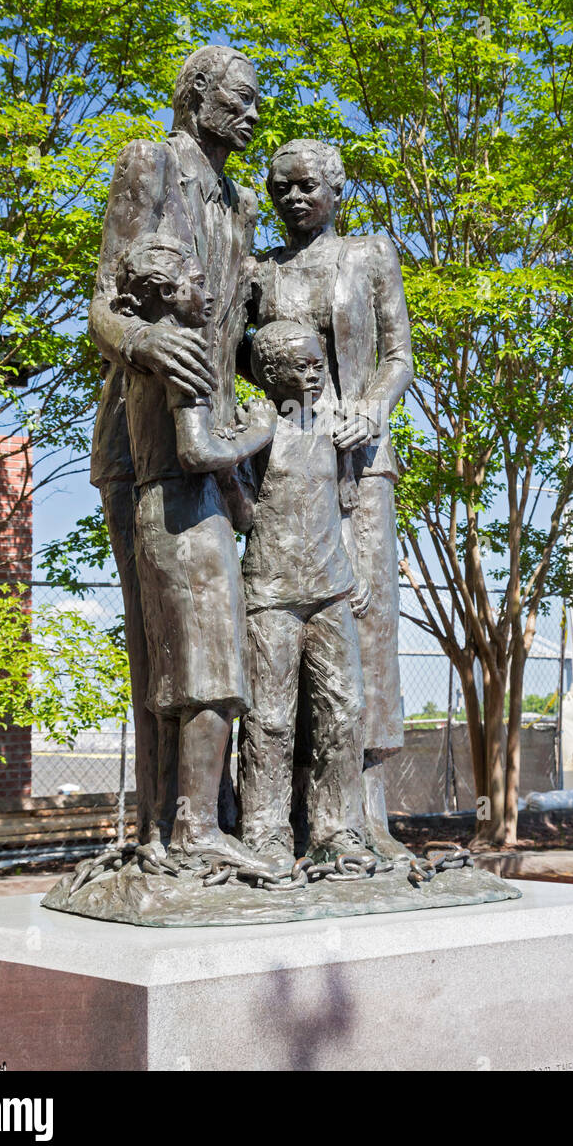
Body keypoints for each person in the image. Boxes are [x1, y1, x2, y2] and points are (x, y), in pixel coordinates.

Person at [89, 45, 260, 851]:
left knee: (219, 641)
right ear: (197, 97)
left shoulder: (243, 202)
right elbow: (102, 308)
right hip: (145, 438)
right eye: (241, 99)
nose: (254, 114)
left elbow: (239, 334)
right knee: (164, 642)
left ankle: (207, 820)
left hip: (221, 442)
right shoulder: (149, 164)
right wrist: (145, 342)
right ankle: (167, 831)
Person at [245, 139, 414, 857]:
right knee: (282, 634)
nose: (293, 198)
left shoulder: (370, 256)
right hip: (285, 463)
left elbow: (399, 355)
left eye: (307, 184)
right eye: (281, 188)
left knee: (365, 629)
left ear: (337, 189)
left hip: (360, 461)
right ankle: (280, 823)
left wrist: (371, 408)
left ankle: (363, 820)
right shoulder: (261, 270)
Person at [114, 226, 277, 872]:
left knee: (182, 683)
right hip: (186, 520)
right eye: (196, 281)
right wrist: (258, 430)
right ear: (164, 292)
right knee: (210, 683)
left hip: (167, 516)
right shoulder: (183, 350)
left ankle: (175, 825)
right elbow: (198, 451)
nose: (208, 292)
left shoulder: (146, 357)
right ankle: (198, 830)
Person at [236, 320, 369, 870]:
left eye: (320, 364)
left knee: (344, 710)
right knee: (270, 719)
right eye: (302, 365)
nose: (315, 374)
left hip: (331, 587)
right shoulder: (254, 426)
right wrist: (243, 448)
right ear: (270, 373)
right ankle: (265, 835)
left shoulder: (339, 429)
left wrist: (354, 564)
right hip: (271, 591)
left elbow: (344, 507)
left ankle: (337, 832)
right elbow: (242, 515)